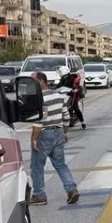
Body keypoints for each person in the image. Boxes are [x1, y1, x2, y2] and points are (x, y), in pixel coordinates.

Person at [28, 73, 80, 205]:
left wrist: (34, 139)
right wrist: (65, 131)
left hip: (44, 135)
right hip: (58, 132)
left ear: (41, 81)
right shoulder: (58, 96)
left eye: (33, 82)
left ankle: (39, 195)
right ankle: (71, 189)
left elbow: (39, 121)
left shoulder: (39, 99)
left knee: (37, 166)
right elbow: (66, 115)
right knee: (60, 164)